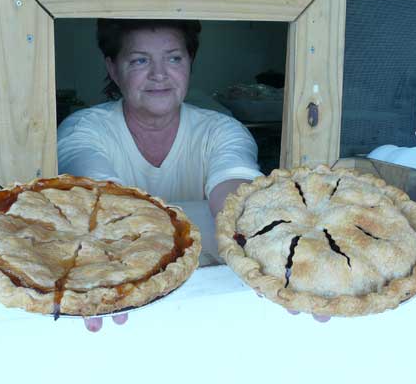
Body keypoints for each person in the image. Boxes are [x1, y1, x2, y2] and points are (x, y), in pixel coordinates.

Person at [57, 18, 264, 332]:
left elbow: (238, 199)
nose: (159, 74)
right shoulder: (83, 129)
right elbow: (101, 195)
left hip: (209, 308)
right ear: (113, 68)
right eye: (140, 60)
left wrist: (277, 257)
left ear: (189, 63)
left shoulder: (221, 130)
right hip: (123, 303)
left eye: (174, 58)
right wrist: (110, 274)